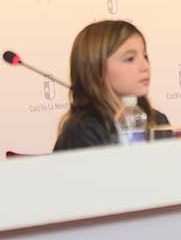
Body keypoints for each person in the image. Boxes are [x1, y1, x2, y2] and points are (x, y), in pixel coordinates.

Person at [53, 20, 168, 151]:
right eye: (130, 59)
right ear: (96, 69)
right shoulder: (83, 131)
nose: (145, 66)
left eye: (145, 56)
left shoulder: (157, 119)